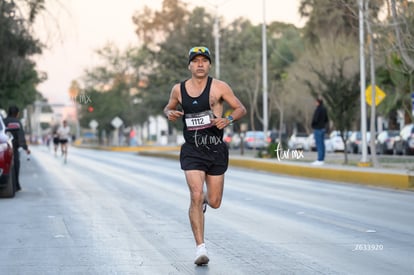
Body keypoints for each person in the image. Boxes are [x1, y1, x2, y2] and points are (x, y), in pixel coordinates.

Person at [163, 46, 247, 265]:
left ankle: (203, 203)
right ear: (190, 65)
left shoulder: (219, 87)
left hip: (215, 148)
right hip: (192, 150)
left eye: (204, 61)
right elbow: (168, 108)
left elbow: (240, 108)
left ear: (209, 65)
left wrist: (227, 119)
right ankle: (200, 248)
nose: (200, 64)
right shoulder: (178, 90)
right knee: (196, 194)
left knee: (215, 201)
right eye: (196, 61)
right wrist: (170, 113)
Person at [3, 105, 30, 191]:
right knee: (15, 165)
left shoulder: (3, 121)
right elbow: (20, 136)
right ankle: (16, 185)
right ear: (17, 113)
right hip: (13, 148)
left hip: (3, 148)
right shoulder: (17, 122)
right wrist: (25, 148)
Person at [311, 98, 329, 165]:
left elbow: (315, 119)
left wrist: (313, 125)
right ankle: (322, 158)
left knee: (319, 144)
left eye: (316, 102)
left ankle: (319, 159)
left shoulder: (318, 109)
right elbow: (327, 119)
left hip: (318, 128)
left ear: (318, 103)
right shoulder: (324, 109)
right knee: (322, 144)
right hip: (323, 129)